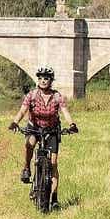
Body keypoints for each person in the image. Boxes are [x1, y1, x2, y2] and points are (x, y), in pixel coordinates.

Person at [8, 66, 78, 198]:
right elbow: (22, 110)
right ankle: (27, 168)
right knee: (29, 144)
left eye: (46, 78)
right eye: (40, 78)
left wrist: (72, 124)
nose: (43, 80)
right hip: (34, 127)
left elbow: (65, 112)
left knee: (53, 164)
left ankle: (54, 196)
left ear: (51, 80)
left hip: (52, 129)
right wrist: (15, 122)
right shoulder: (32, 95)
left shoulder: (57, 96)